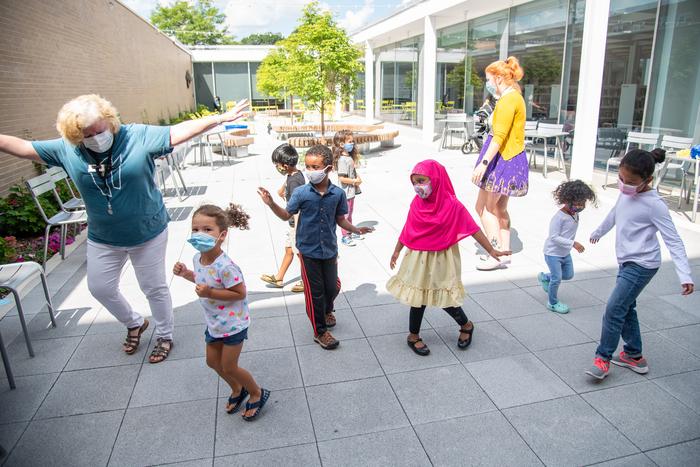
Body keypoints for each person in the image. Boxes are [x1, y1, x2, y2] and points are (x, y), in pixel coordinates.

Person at [0, 94, 249, 363]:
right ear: (75, 135)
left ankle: (165, 335)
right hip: (103, 236)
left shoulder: (136, 136)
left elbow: (176, 132)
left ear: (109, 120)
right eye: (87, 134)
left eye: (100, 129)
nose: (96, 136)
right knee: (100, 287)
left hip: (147, 231)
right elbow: (24, 147)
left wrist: (220, 118)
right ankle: (134, 322)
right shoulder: (67, 149)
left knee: (153, 287)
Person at [586, 148, 694, 380]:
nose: (624, 185)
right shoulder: (626, 192)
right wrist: (599, 231)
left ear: (648, 180)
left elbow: (673, 240)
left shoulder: (654, 205)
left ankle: (603, 358)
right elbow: (615, 213)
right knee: (626, 307)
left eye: (631, 182)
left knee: (614, 308)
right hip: (627, 261)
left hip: (642, 264)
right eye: (621, 179)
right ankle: (634, 356)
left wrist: (685, 275)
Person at [387, 160, 510, 356]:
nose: (418, 186)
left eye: (421, 180)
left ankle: (466, 325)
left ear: (435, 179)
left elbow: (473, 228)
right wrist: (397, 250)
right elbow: (407, 228)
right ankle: (413, 335)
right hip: (419, 257)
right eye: (414, 182)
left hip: (442, 257)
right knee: (419, 297)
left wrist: (491, 250)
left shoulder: (452, 205)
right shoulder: (416, 203)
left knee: (443, 296)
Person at [257, 145, 374, 349]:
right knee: (315, 292)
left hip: (329, 249)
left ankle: (327, 310)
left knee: (333, 287)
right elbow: (286, 215)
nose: (310, 171)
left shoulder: (337, 194)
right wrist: (271, 204)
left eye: (315, 167)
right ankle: (320, 332)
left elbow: (341, 220)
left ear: (328, 168)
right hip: (308, 251)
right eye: (308, 166)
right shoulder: (301, 193)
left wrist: (356, 230)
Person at [172, 203, 270, 420]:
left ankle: (256, 392)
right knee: (212, 362)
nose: (200, 234)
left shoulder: (226, 266)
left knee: (229, 365)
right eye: (196, 229)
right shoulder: (198, 258)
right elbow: (201, 280)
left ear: (222, 235)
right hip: (215, 323)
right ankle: (238, 388)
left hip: (233, 324)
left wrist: (210, 292)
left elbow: (240, 293)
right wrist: (187, 273)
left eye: (208, 230)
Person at [471, 57, 527, 271]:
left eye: (488, 79)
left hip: (500, 159)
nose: (487, 83)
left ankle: (495, 255)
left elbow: (499, 136)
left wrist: (483, 164)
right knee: (499, 207)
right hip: (512, 158)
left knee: (484, 207)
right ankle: (505, 253)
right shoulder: (517, 98)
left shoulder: (507, 100)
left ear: (499, 77)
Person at [537, 180, 597, 314]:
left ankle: (545, 277)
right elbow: (554, 237)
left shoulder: (575, 214)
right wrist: (573, 243)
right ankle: (552, 303)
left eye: (582, 203)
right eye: (577, 203)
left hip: (565, 253)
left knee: (569, 275)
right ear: (566, 200)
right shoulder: (559, 218)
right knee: (557, 278)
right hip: (553, 253)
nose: (580, 206)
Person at [260, 144, 305, 293]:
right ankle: (279, 278)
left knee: (300, 254)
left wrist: (298, 231)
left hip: (296, 224)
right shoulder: (294, 176)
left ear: (285, 165)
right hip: (293, 223)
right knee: (288, 250)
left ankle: (307, 280)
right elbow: (283, 190)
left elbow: (295, 210)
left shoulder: (294, 182)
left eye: (277, 164)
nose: (276, 167)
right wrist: (282, 191)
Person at [332, 130, 363, 247]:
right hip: (345, 193)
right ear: (341, 144)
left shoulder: (348, 157)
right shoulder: (342, 160)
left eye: (352, 141)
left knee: (350, 214)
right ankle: (345, 236)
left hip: (351, 192)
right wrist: (355, 181)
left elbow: (352, 173)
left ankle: (351, 231)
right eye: (350, 142)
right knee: (344, 216)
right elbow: (342, 178)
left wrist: (357, 179)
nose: (352, 144)